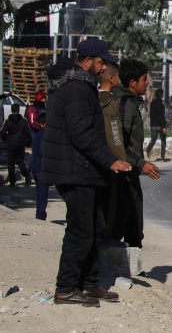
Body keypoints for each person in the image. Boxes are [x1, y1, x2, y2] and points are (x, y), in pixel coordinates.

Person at [44, 39, 131, 307]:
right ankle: (66, 287)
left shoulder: (80, 86)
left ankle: (90, 284)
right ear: (87, 60)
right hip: (74, 169)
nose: (104, 66)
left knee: (94, 227)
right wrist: (110, 161)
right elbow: (82, 135)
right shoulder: (77, 88)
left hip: (82, 169)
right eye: (100, 62)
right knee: (80, 230)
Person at [112, 58, 160, 249]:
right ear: (132, 82)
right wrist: (142, 163)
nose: (147, 82)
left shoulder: (131, 102)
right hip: (122, 175)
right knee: (118, 224)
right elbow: (120, 143)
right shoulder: (123, 104)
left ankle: (133, 266)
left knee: (134, 225)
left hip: (130, 173)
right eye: (144, 79)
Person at [97, 62, 128, 241]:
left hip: (100, 158)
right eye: (117, 76)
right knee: (112, 203)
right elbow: (114, 135)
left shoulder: (95, 98)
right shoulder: (109, 102)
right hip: (111, 160)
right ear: (111, 78)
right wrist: (120, 159)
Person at [0, 104, 33, 187]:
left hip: (11, 143)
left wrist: (7, 138)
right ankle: (27, 176)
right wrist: (28, 143)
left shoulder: (8, 121)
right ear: (18, 110)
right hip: (20, 144)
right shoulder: (23, 121)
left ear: (11, 110)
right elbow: (28, 133)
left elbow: (3, 132)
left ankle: (12, 181)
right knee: (20, 161)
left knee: (11, 163)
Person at [28, 112, 47, 220]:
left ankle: (40, 213)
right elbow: (42, 151)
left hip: (36, 167)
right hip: (40, 168)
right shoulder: (43, 135)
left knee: (40, 192)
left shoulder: (38, 135)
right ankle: (40, 215)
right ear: (42, 124)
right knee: (42, 193)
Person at [146, 88, 167, 161]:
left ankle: (148, 150)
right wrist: (163, 127)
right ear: (161, 95)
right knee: (163, 141)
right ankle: (162, 157)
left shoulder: (152, 103)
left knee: (153, 140)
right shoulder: (161, 104)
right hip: (160, 125)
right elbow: (161, 116)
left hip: (153, 125)